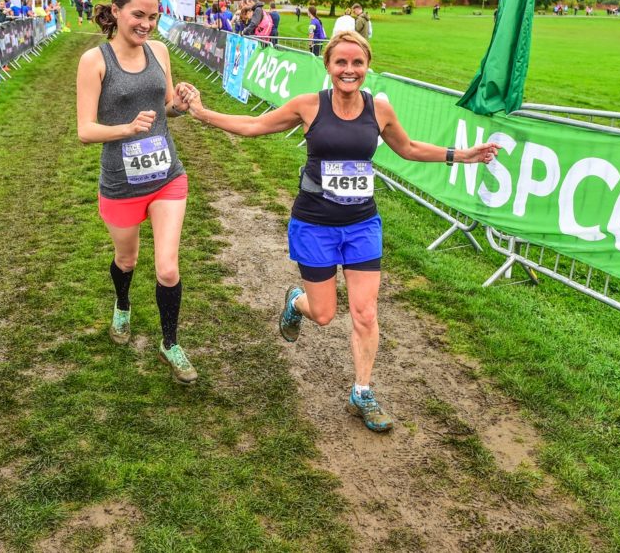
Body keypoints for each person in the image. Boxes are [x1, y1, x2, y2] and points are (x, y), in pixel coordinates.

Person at [177, 31, 499, 432]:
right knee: (326, 314)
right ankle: (297, 303)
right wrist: (203, 113)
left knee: (365, 312)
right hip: (314, 224)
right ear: (327, 66)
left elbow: (409, 148)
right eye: (341, 63)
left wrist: (462, 155)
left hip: (362, 223)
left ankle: (361, 391)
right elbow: (252, 126)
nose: (349, 70)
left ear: (367, 67)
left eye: (357, 63)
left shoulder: (378, 109)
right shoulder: (309, 105)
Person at [75, 0, 198, 385]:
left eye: (154, 16)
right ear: (117, 12)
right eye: (138, 15)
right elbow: (85, 130)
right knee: (127, 259)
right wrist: (126, 129)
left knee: (167, 268)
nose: (146, 24)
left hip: (167, 176)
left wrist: (180, 104)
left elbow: (165, 109)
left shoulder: (159, 51)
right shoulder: (95, 61)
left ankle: (170, 343)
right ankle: (122, 304)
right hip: (121, 182)